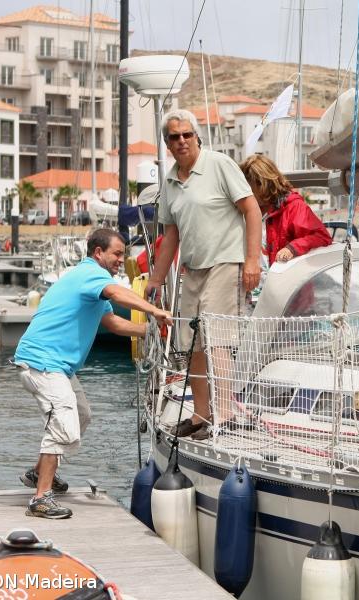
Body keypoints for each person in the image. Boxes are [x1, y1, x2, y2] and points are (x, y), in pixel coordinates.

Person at [15, 229, 171, 519]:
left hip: (57, 366)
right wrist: (154, 310)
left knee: (81, 414)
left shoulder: (91, 283)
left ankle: (39, 475)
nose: (120, 260)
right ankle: (40, 499)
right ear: (98, 253)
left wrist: (152, 330)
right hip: (42, 363)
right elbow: (115, 292)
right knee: (64, 424)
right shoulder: (90, 275)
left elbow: (112, 323)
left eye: (122, 254)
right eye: (116, 254)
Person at [144, 109, 261, 441]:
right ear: (167, 143)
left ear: (197, 136)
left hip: (226, 262)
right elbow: (171, 236)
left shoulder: (219, 164)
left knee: (217, 338)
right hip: (193, 270)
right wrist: (155, 280)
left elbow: (252, 210)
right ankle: (200, 414)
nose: (181, 141)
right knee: (191, 342)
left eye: (186, 135)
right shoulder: (169, 181)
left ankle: (223, 415)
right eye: (174, 137)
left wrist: (252, 260)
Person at [239, 154, 332, 268]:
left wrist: (292, 249)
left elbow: (322, 237)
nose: (244, 193)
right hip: (255, 282)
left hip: (283, 282)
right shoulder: (243, 211)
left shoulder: (294, 207)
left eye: (249, 188)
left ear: (263, 184)